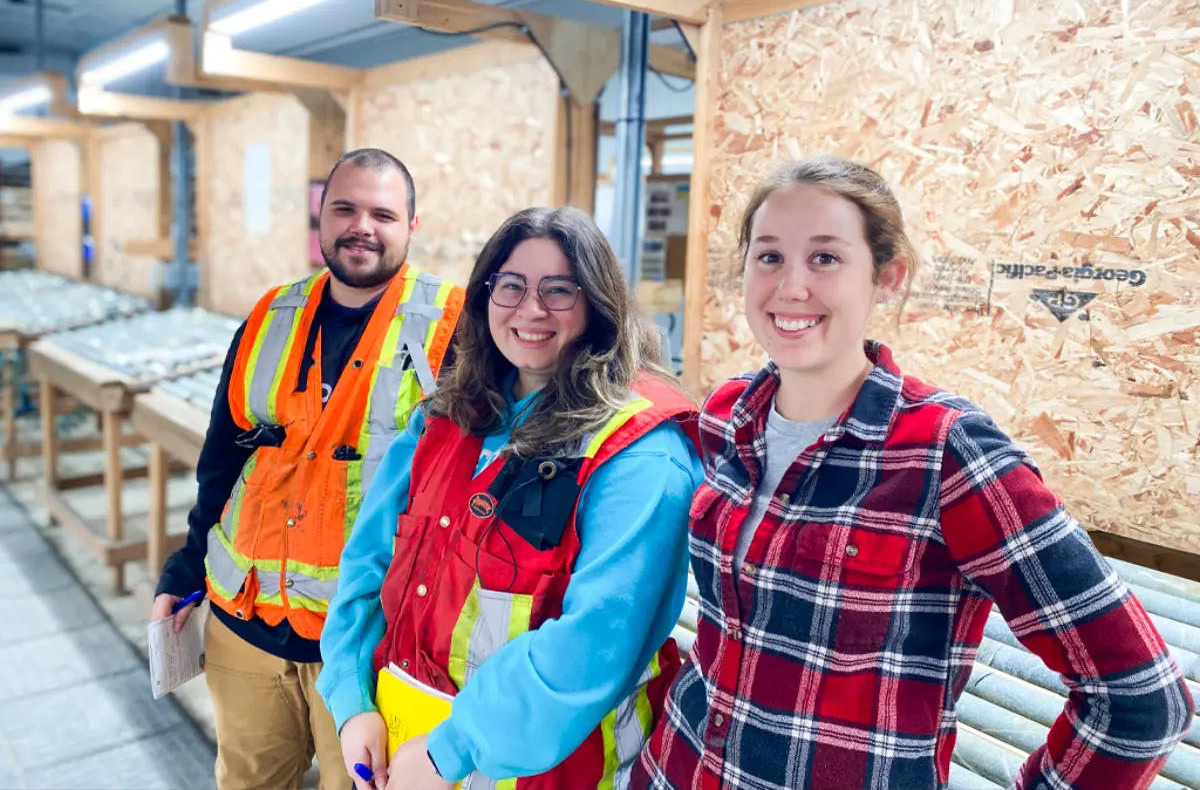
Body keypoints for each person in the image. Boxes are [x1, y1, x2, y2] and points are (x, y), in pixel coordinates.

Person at [634, 155, 1195, 790]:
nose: (791, 287)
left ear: (887, 277)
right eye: (769, 257)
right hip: (677, 770)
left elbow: (1142, 699)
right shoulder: (726, 416)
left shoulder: (948, 454)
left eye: (825, 258)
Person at [317, 206, 704, 790]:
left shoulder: (641, 454)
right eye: (511, 286)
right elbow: (367, 565)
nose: (531, 309)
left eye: (558, 290)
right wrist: (351, 697)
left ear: (598, 303)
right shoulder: (445, 421)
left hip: (547, 774)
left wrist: (450, 751)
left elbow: (591, 644)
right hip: (406, 750)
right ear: (484, 298)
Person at [151, 148, 465, 790]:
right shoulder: (270, 316)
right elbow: (222, 463)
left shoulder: (454, 331)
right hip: (246, 626)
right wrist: (183, 570)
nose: (362, 227)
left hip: (369, 645)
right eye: (345, 208)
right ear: (321, 217)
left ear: (412, 226)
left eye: (383, 213)